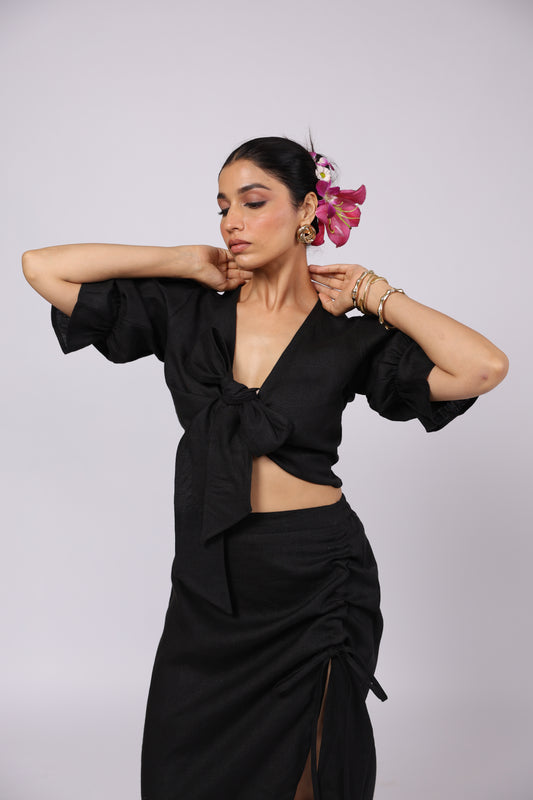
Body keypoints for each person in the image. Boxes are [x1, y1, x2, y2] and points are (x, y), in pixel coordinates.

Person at [22, 136, 508, 800]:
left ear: (307, 209)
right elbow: (42, 268)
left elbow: (482, 368)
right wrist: (181, 260)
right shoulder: (187, 308)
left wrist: (374, 292)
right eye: (223, 206)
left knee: (308, 771)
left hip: (317, 580)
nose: (232, 221)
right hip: (212, 577)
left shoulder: (347, 334)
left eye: (253, 202)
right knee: (181, 766)